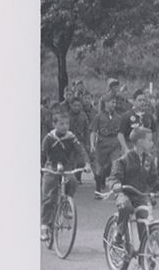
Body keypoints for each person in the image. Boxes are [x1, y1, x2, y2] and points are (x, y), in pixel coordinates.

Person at [109, 128, 159, 255]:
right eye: (150, 140)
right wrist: (116, 184)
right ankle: (118, 234)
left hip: (140, 195)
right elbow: (114, 177)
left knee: (144, 217)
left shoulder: (148, 159)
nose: (152, 143)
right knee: (125, 206)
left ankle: (145, 252)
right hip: (125, 193)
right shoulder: (125, 159)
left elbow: (154, 179)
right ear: (140, 142)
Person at [40, 110, 90, 240]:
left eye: (67, 123)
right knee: (48, 197)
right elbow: (43, 154)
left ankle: (67, 204)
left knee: (72, 181)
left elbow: (81, 150)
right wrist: (41, 168)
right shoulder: (49, 138)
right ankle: (44, 226)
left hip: (66, 166)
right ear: (54, 124)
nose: (65, 126)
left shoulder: (71, 137)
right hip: (51, 166)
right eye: (61, 124)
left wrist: (87, 163)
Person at [90, 95, 123, 195]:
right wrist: (92, 144)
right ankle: (98, 188)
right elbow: (93, 131)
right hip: (102, 144)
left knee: (114, 165)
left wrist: (122, 145)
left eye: (115, 102)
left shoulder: (118, 117)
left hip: (115, 144)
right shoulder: (98, 116)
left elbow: (121, 133)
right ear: (106, 103)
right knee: (99, 168)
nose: (114, 105)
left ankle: (114, 188)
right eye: (112, 102)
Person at [118, 90, 155, 155]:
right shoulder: (127, 116)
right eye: (139, 100)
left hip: (145, 149)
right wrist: (125, 148)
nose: (142, 102)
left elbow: (154, 132)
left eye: (144, 100)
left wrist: (152, 147)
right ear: (134, 101)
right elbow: (120, 134)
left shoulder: (149, 116)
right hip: (131, 147)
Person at [66, 96, 92, 181]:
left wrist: (88, 143)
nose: (77, 107)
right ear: (71, 105)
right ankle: (69, 179)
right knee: (70, 161)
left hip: (80, 140)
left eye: (78, 105)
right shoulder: (67, 116)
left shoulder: (83, 116)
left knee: (81, 161)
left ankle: (77, 176)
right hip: (69, 141)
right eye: (75, 106)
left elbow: (87, 130)